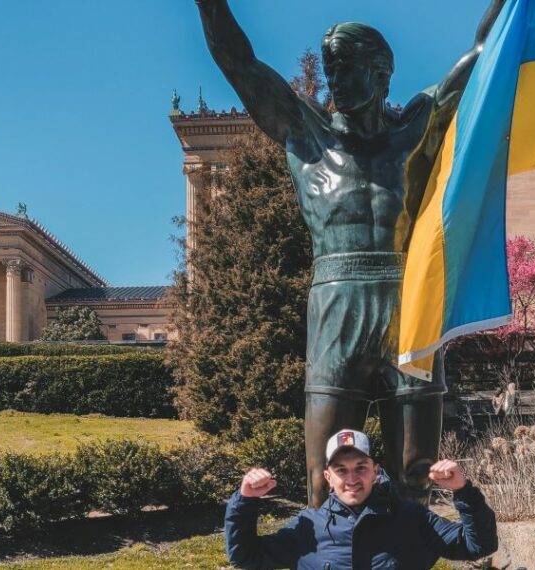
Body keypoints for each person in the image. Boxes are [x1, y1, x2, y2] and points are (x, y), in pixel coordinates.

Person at [195, 0, 508, 508]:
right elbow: (239, 63)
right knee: (326, 478)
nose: (333, 78)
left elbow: (485, 50)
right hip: (335, 310)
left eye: (345, 66)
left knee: (416, 474)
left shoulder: (418, 127)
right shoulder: (305, 132)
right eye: (328, 67)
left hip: (409, 308)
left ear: (381, 74)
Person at [224, 429, 497, 569]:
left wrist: (463, 490)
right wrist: (245, 499)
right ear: (328, 478)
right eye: (341, 470)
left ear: (375, 472)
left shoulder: (411, 518)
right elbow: (245, 556)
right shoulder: (309, 526)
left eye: (360, 468)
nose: (351, 478)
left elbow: (478, 545)